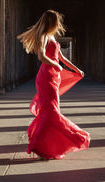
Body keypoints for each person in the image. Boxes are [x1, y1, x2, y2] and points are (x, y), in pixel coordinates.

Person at [17, 10, 91, 159]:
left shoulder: (51, 36)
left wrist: (77, 69)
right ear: (52, 22)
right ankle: (42, 144)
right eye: (57, 22)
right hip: (46, 77)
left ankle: (45, 147)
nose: (58, 25)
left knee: (50, 110)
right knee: (51, 111)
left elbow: (61, 57)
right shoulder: (44, 36)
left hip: (54, 77)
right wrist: (55, 65)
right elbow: (42, 56)